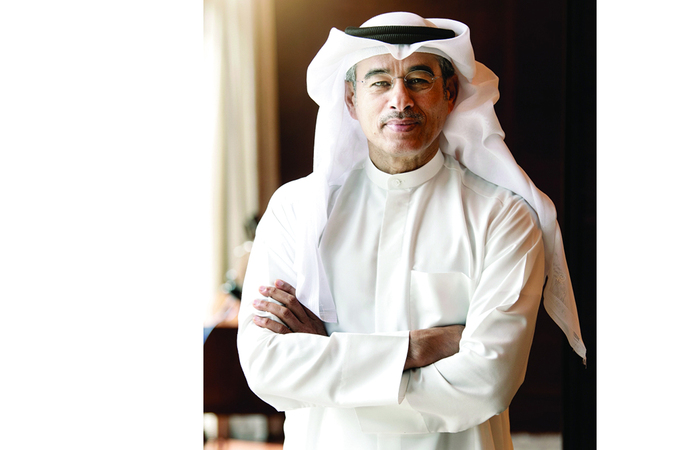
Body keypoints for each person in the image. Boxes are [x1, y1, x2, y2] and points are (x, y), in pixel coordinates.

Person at [237, 12, 586, 449]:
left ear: (450, 94)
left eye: (418, 80)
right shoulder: (296, 210)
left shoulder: (503, 217)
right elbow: (265, 366)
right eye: (379, 82)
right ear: (351, 99)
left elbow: (489, 382)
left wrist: (329, 364)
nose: (400, 100)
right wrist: (417, 348)